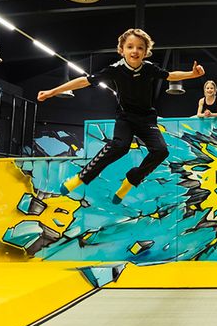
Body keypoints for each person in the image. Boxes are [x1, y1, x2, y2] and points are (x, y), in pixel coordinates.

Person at [38, 28, 205, 203]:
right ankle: (81, 177)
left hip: (147, 119)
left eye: (140, 48)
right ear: (122, 50)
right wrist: (52, 91)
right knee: (120, 146)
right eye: (130, 47)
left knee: (161, 151)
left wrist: (192, 74)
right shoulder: (115, 70)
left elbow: (170, 75)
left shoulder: (149, 69)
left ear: (146, 52)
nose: (135, 51)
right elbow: (83, 81)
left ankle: (130, 182)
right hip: (125, 118)